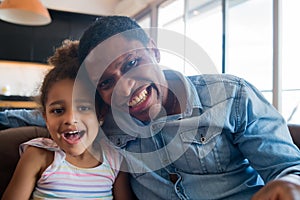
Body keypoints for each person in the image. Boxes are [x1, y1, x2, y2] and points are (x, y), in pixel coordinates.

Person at [1, 16, 300, 200]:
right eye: (106, 82)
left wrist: (290, 183)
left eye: (132, 63)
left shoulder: (231, 97)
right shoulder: (103, 120)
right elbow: (51, 113)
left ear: (154, 50)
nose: (125, 87)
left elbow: (289, 168)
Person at [1, 40, 134, 200]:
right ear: (45, 118)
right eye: (58, 111)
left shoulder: (116, 161)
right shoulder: (37, 156)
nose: (70, 119)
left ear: (101, 114)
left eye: (84, 108)